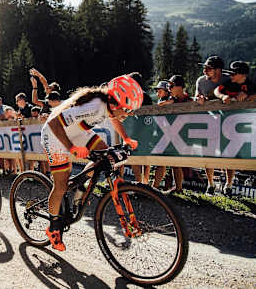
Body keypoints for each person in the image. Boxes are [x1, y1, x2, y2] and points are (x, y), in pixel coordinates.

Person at [41, 74, 143, 251]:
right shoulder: (95, 106)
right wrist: (71, 148)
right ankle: (53, 228)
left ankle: (81, 189)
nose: (127, 114)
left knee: (106, 156)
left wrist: (126, 138)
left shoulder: (107, 106)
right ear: (114, 103)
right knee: (60, 187)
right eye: (126, 110)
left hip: (78, 131)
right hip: (55, 134)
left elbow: (113, 118)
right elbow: (56, 123)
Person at [214, 61, 256, 196]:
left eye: (233, 73)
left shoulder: (251, 84)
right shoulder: (228, 83)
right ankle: (229, 183)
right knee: (229, 152)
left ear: (242, 74)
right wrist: (223, 96)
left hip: (248, 124)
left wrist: (250, 97)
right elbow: (217, 90)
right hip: (229, 123)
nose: (230, 75)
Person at [195, 55, 231, 195]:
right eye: (204, 68)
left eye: (208, 68)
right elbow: (196, 96)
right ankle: (211, 185)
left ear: (218, 70)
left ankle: (228, 185)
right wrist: (199, 98)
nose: (205, 71)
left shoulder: (229, 80)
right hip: (209, 121)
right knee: (207, 153)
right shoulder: (201, 81)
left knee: (230, 153)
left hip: (229, 121)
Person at [153, 75, 192, 193]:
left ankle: (178, 189)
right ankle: (154, 188)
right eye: (168, 86)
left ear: (179, 86)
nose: (169, 88)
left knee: (176, 164)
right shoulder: (171, 98)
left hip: (180, 134)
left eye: (171, 85)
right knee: (162, 162)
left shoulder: (187, 99)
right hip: (168, 133)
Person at [129, 72, 152, 184]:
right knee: (143, 158)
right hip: (144, 129)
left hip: (139, 130)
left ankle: (141, 182)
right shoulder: (144, 95)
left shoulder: (141, 96)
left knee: (136, 158)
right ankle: (144, 183)